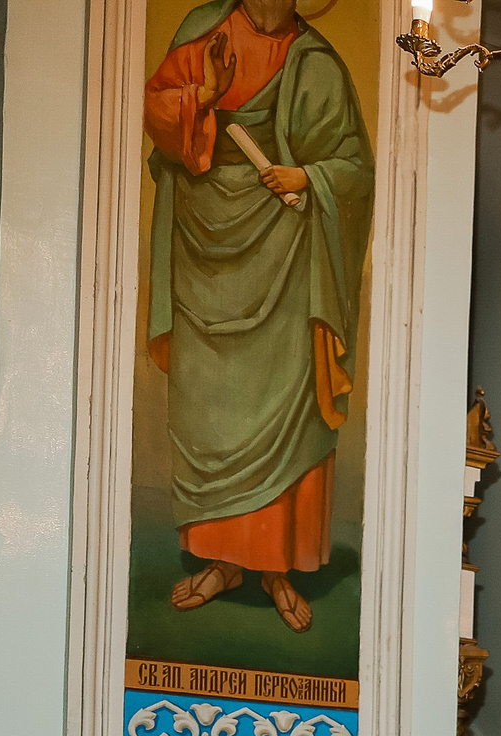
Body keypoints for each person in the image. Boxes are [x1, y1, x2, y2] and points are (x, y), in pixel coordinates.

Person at [144, 0, 375, 634]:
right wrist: (200, 98)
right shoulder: (201, 32)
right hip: (202, 250)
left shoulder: (317, 63)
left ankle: (277, 566)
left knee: (287, 403)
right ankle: (221, 562)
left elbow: (355, 170)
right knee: (206, 402)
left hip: (290, 260)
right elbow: (159, 119)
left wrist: (308, 175)